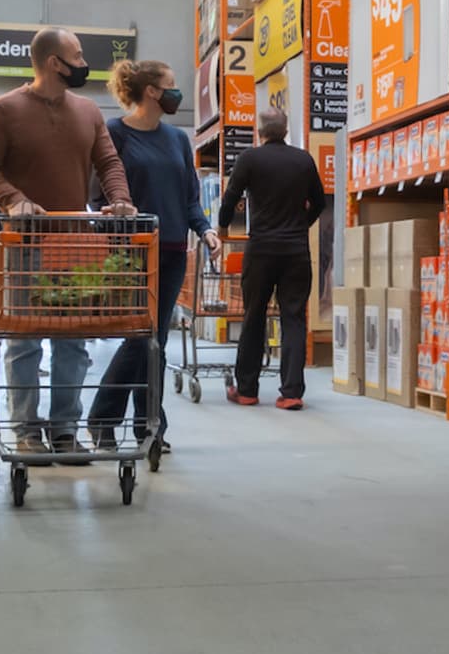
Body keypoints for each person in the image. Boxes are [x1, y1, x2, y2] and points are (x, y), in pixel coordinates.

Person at [0, 27, 135, 459]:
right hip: (23, 245)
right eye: (77, 55)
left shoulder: (88, 111)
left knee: (73, 340)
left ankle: (64, 428)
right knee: (24, 341)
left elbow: (109, 162)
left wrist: (119, 199)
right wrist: (15, 200)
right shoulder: (5, 109)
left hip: (75, 246)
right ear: (52, 63)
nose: (84, 63)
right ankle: (25, 429)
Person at [88, 60, 221, 456]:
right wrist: (117, 227)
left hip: (174, 251)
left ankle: (144, 424)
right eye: (171, 86)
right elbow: (98, 196)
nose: (176, 94)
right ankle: (121, 420)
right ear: (150, 91)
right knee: (143, 336)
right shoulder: (114, 134)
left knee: (154, 339)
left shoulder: (178, 139)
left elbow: (189, 199)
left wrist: (206, 229)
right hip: (131, 252)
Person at [218, 107, 325, 410]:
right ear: (286, 128)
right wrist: (300, 225)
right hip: (295, 251)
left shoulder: (249, 159)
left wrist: (223, 228)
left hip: (261, 248)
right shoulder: (303, 159)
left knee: (254, 315)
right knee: (293, 317)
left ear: (259, 130)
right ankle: (292, 392)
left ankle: (248, 389)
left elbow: (231, 198)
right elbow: (318, 201)